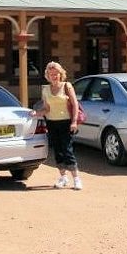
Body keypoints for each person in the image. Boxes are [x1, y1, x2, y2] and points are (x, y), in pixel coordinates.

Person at [30, 61, 83, 190]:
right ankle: (63, 177)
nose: (54, 76)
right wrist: (36, 113)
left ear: (61, 74)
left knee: (67, 150)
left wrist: (74, 121)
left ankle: (76, 179)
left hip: (66, 122)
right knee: (58, 151)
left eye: (56, 74)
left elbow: (75, 104)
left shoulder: (67, 86)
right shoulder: (45, 89)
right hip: (51, 123)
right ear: (47, 75)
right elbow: (47, 109)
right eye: (51, 74)